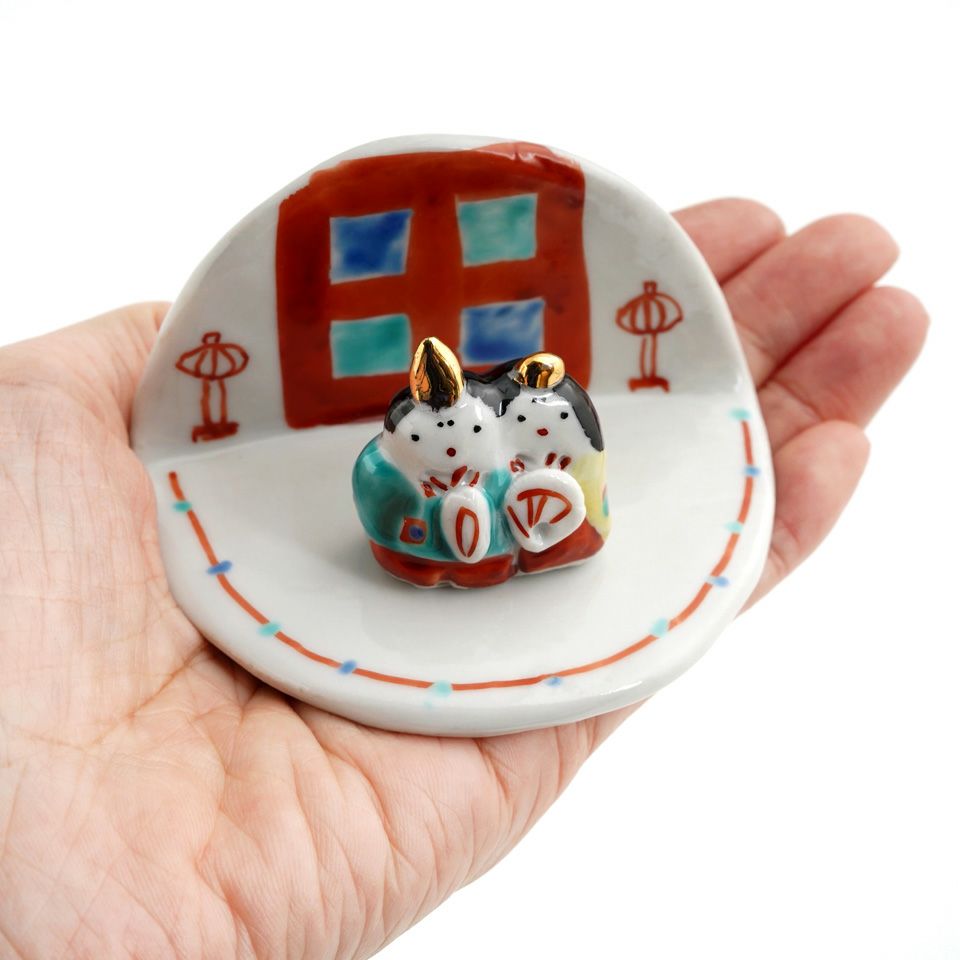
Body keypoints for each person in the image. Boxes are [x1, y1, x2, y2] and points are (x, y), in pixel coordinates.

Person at [0, 199, 927, 959]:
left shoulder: (524, 446)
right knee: (472, 529)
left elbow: (555, 486)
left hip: (526, 532)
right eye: (445, 442)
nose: (459, 451)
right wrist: (437, 521)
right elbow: (397, 509)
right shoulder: (389, 462)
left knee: (533, 521)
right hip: (430, 549)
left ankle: (515, 541)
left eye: (482, 438)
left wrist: (535, 505)